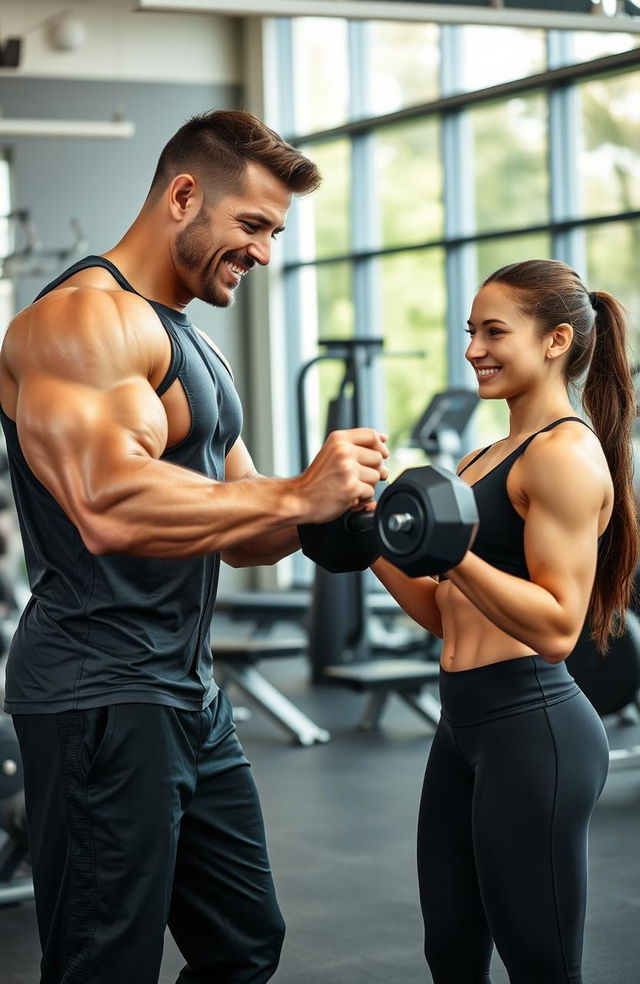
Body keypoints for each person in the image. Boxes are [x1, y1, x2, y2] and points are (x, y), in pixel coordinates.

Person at [0, 109, 388, 984]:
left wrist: (339, 514)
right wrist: (296, 492)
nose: (263, 251)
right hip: (100, 691)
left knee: (245, 942)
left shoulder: (196, 348)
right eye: (251, 225)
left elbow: (245, 530)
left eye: (275, 233)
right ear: (183, 195)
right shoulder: (81, 322)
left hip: (186, 692)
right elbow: (107, 501)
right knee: (106, 963)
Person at [372, 259, 638, 984]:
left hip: (534, 731)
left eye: (494, 331)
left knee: (540, 966)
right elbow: (444, 614)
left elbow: (556, 627)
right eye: (470, 331)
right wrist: (369, 535)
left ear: (556, 341)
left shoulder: (564, 456)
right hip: (462, 723)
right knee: (451, 953)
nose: (473, 349)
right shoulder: (483, 457)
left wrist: (452, 555)